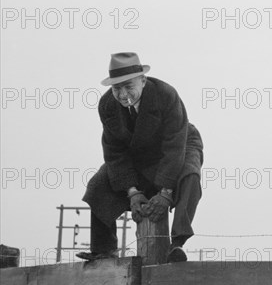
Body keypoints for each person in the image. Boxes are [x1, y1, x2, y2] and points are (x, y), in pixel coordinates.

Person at [76, 52, 203, 263]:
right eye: (117, 89)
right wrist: (132, 191)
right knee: (98, 183)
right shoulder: (107, 106)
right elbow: (115, 152)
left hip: (181, 143)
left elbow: (174, 147)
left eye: (129, 87)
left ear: (143, 81)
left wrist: (165, 191)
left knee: (189, 175)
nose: (124, 94)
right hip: (139, 153)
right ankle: (104, 249)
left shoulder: (166, 95)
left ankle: (177, 244)